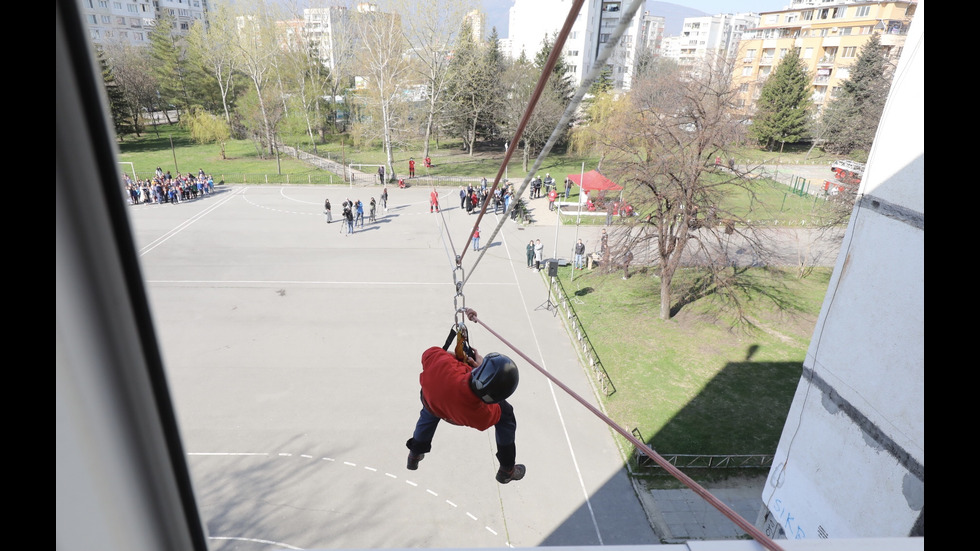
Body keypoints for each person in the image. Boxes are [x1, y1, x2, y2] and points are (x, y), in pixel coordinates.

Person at [404, 308, 525, 484]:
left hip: (431, 398)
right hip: (458, 412)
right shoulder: (481, 415)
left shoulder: (443, 363)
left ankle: (415, 453)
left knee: (430, 410)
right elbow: (490, 412)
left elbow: (430, 354)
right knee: (506, 415)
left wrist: (461, 361)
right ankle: (507, 469)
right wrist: (476, 366)